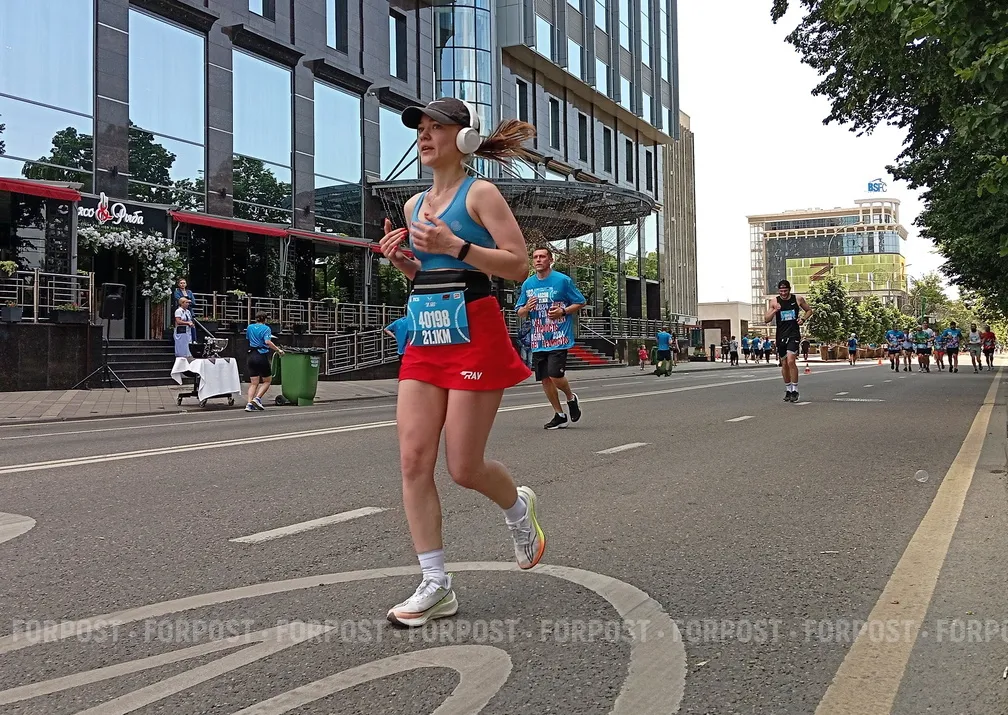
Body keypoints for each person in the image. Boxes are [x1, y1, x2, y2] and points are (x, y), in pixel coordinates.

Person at [378, 97, 543, 627]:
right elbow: (430, 274)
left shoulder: (481, 194)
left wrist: (456, 245)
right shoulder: (411, 206)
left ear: (464, 138)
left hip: (475, 333)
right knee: (412, 460)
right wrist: (407, 263)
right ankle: (435, 583)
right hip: (426, 334)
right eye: (421, 130)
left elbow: (517, 266)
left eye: (436, 129)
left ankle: (518, 509)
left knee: (464, 467)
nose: (425, 137)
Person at [516, 246, 586, 428]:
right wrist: (526, 309)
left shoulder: (563, 281)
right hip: (538, 338)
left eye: (542, 257)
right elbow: (520, 312)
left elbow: (580, 301)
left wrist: (563, 311)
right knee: (545, 379)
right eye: (535, 257)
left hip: (558, 336)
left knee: (555, 374)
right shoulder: (528, 284)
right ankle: (559, 414)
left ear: (550, 260)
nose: (538, 260)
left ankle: (571, 398)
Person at [764, 279, 813, 402]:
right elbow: (766, 319)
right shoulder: (774, 301)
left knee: (791, 361)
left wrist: (803, 319)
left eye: (785, 291)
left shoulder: (798, 299)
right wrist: (775, 310)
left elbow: (809, 310)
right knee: (784, 363)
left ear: (789, 290)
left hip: (793, 334)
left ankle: (795, 390)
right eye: (781, 291)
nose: (783, 293)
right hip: (781, 335)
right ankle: (788, 389)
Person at [244, 311, 284, 411]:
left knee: (254, 383)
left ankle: (249, 404)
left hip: (251, 355)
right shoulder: (266, 329)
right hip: (261, 355)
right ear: (265, 319)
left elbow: (248, 338)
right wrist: (278, 350)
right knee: (267, 380)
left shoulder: (249, 327)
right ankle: (257, 398)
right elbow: (267, 342)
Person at [173, 278, 197, 343]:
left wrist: (186, 301)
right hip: (181, 310)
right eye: (181, 283)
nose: (182, 284)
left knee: (192, 325)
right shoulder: (177, 292)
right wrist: (188, 300)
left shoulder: (189, 292)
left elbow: (193, 302)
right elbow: (179, 300)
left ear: (186, 284)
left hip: (189, 311)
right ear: (178, 284)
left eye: (184, 283)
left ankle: (193, 340)